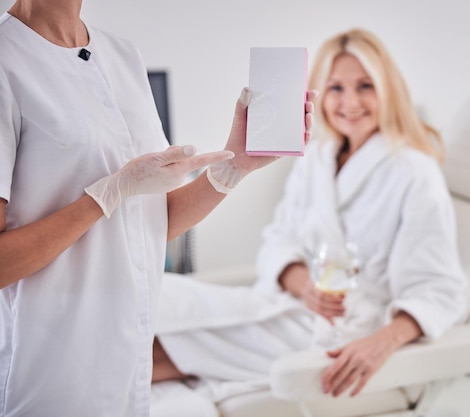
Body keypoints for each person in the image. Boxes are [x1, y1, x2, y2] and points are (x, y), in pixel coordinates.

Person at [0, 1, 317, 416]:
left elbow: (144, 227)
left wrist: (234, 165)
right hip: (51, 373)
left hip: (129, 365)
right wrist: (106, 196)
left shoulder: (123, 56)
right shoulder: (7, 60)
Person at [152, 27, 467, 404]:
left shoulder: (415, 171)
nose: (350, 102)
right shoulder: (316, 159)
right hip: (294, 304)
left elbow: (438, 289)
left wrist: (379, 345)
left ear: (388, 90)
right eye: (335, 88)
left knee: (151, 344)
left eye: (365, 86)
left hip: (347, 332)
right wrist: (303, 285)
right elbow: (279, 238)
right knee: (156, 293)